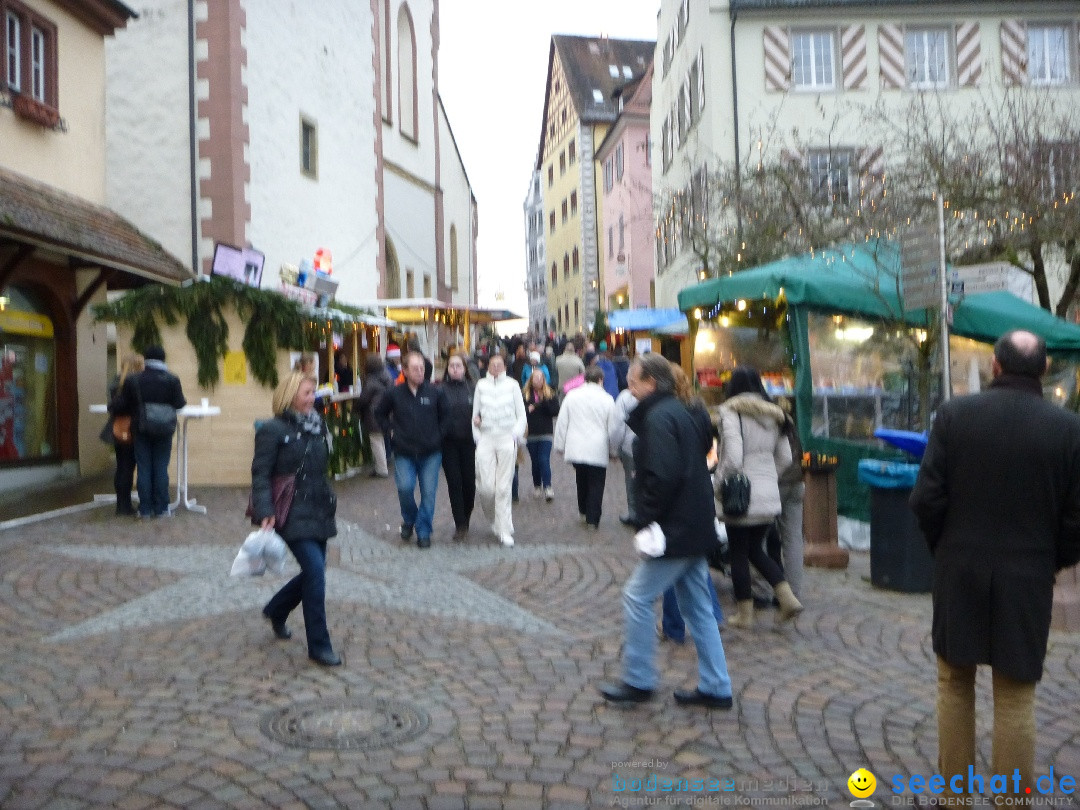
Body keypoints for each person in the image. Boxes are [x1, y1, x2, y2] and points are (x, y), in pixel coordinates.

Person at [910, 330, 1080, 796]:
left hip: (959, 568)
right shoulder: (1068, 430)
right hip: (1028, 576)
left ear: (995, 367)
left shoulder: (955, 416)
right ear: (1044, 370)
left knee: (954, 683)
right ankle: (1010, 802)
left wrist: (944, 549)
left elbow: (926, 499)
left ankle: (955, 796)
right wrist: (1048, 559)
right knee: (1015, 696)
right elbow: (1076, 520)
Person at [597, 353, 734, 708]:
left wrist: (647, 520)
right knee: (699, 607)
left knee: (637, 597)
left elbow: (663, 475)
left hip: (677, 530)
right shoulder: (678, 411)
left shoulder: (659, 418)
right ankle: (716, 686)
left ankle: (640, 679)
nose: (628, 388)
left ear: (651, 384)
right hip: (693, 524)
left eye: (633, 382)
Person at [253, 370, 341, 667]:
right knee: (315, 570)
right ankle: (319, 645)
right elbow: (261, 473)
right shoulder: (272, 430)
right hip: (290, 511)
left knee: (314, 572)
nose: (311, 398)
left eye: (312, 393)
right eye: (306, 393)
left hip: (318, 508)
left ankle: (277, 609)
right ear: (291, 396)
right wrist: (265, 510)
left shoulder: (318, 426)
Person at [716, 366, 802, 628]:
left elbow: (733, 456)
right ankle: (787, 598)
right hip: (768, 493)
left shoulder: (730, 412)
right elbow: (786, 457)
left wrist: (720, 483)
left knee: (739, 552)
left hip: (740, 495)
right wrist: (767, 478)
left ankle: (745, 614)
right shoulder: (777, 414)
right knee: (756, 549)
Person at [657, 363, 726, 641]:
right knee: (693, 561)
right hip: (698, 488)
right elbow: (708, 444)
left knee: (672, 562)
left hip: (678, 493)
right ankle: (712, 615)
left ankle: (674, 625)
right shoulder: (698, 408)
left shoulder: (666, 413)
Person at [375, 351, 448, 548]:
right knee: (405, 488)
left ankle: (423, 530)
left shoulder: (435, 392)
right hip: (404, 452)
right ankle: (410, 519)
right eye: (415, 368)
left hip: (431, 452)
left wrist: (438, 436)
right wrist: (390, 431)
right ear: (405, 371)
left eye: (422, 368)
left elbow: (445, 417)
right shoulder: (394, 393)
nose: (419, 372)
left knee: (428, 493)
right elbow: (379, 413)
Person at [116, 345, 186, 518]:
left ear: (146, 359)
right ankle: (162, 508)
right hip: (164, 429)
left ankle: (145, 509)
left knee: (144, 467)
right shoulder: (172, 379)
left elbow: (123, 403)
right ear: (163, 359)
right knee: (161, 467)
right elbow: (180, 404)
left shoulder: (134, 379)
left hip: (141, 428)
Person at [472, 353, 527, 547]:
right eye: (492, 364)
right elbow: (475, 414)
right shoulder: (481, 386)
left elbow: (521, 414)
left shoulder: (512, 385)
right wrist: (477, 435)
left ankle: (505, 529)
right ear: (488, 367)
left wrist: (515, 434)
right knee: (487, 488)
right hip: (486, 438)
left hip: (505, 437)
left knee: (503, 487)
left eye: (499, 364)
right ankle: (494, 520)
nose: (495, 367)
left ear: (504, 366)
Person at [553, 366, 616, 528]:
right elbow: (613, 428)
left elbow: (562, 422)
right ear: (600, 380)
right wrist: (614, 450)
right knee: (596, 482)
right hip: (597, 447)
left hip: (576, 446)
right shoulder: (607, 399)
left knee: (581, 479)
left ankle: (583, 511)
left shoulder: (572, 396)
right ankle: (593, 518)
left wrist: (560, 445)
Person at [102, 353, 144, 516]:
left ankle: (122, 504)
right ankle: (137, 504)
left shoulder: (116, 382)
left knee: (122, 467)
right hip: (135, 427)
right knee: (139, 467)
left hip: (119, 428)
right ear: (138, 366)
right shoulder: (136, 382)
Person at [440, 353, 476, 540]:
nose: (455, 368)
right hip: (449, 443)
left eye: (458, 366)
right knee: (454, 483)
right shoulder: (441, 390)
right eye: (452, 365)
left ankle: (466, 515)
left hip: (469, 442)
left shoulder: (472, 388)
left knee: (469, 483)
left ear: (464, 369)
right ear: (447, 369)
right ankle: (460, 523)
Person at [523, 367, 559, 501]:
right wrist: (529, 408)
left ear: (544, 380)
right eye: (535, 378)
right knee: (535, 461)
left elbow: (555, 411)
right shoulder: (525, 394)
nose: (537, 380)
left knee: (543, 459)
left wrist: (544, 402)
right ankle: (537, 485)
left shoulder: (550, 393)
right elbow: (520, 412)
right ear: (531, 380)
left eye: (540, 378)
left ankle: (548, 487)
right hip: (531, 433)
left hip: (546, 432)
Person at [356, 355, 392, 477]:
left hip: (373, 414)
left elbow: (364, 399)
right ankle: (382, 465)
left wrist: (355, 409)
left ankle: (381, 469)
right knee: (381, 440)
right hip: (385, 413)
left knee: (376, 441)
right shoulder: (387, 376)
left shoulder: (371, 381)